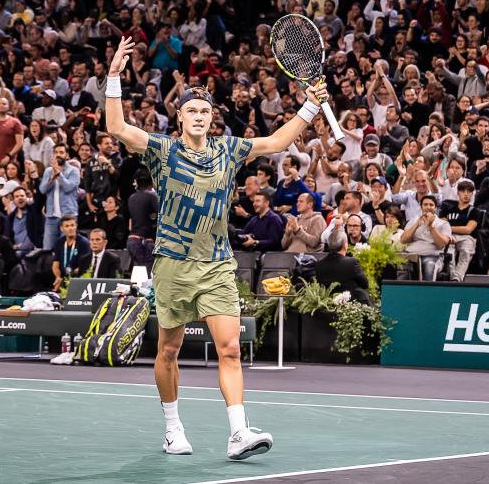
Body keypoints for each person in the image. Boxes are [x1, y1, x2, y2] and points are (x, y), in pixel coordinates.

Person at [105, 34, 327, 460]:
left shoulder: (228, 150)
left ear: (213, 117)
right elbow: (117, 128)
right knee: (168, 349)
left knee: (228, 347)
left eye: (206, 111)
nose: (200, 116)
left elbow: (276, 142)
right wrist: (114, 77)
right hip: (171, 263)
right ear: (180, 116)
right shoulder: (162, 150)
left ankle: (238, 432)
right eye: (192, 110)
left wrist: (311, 106)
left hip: (216, 264)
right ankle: (172, 428)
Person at [399, 194, 452, 281]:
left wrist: (430, 226)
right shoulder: (413, 221)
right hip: (412, 255)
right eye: (425, 204)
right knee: (401, 266)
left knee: (429, 265)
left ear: (435, 208)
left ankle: (427, 294)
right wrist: (416, 224)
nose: (428, 207)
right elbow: (403, 240)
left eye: (431, 205)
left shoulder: (443, 223)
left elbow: (441, 244)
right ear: (421, 207)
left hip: (432, 256)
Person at [38, 143, 80, 250]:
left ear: (67, 155)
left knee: (67, 248)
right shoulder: (48, 171)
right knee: (48, 248)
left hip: (68, 216)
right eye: (56, 152)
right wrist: (51, 177)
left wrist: (59, 174)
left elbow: (68, 188)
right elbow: (42, 190)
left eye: (61, 152)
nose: (58, 155)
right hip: (51, 216)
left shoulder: (73, 171)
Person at [315, 228, 371, 303]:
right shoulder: (351, 263)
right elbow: (365, 284)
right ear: (345, 245)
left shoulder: (319, 264)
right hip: (350, 305)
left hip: (327, 304)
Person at [439, 179, 479, 281]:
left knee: (465, 251)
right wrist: (448, 232)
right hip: (449, 236)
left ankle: (457, 278)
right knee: (449, 252)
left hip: (467, 238)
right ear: (458, 193)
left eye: (469, 192)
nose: (466, 194)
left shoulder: (474, 211)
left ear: (472, 194)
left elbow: (468, 229)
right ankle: (452, 277)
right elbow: (441, 224)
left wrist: (449, 228)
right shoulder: (448, 208)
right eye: (463, 191)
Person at [127, 169, 158, 272]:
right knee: (148, 275)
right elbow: (160, 218)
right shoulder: (152, 196)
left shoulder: (132, 197)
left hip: (132, 240)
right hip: (145, 241)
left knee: (139, 275)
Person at [51, 214, 90, 290]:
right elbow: (55, 264)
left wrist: (66, 279)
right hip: (63, 278)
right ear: (62, 228)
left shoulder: (84, 243)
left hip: (79, 279)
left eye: (72, 225)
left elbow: (84, 266)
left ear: (76, 226)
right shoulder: (59, 242)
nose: (70, 228)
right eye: (67, 226)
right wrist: (58, 277)